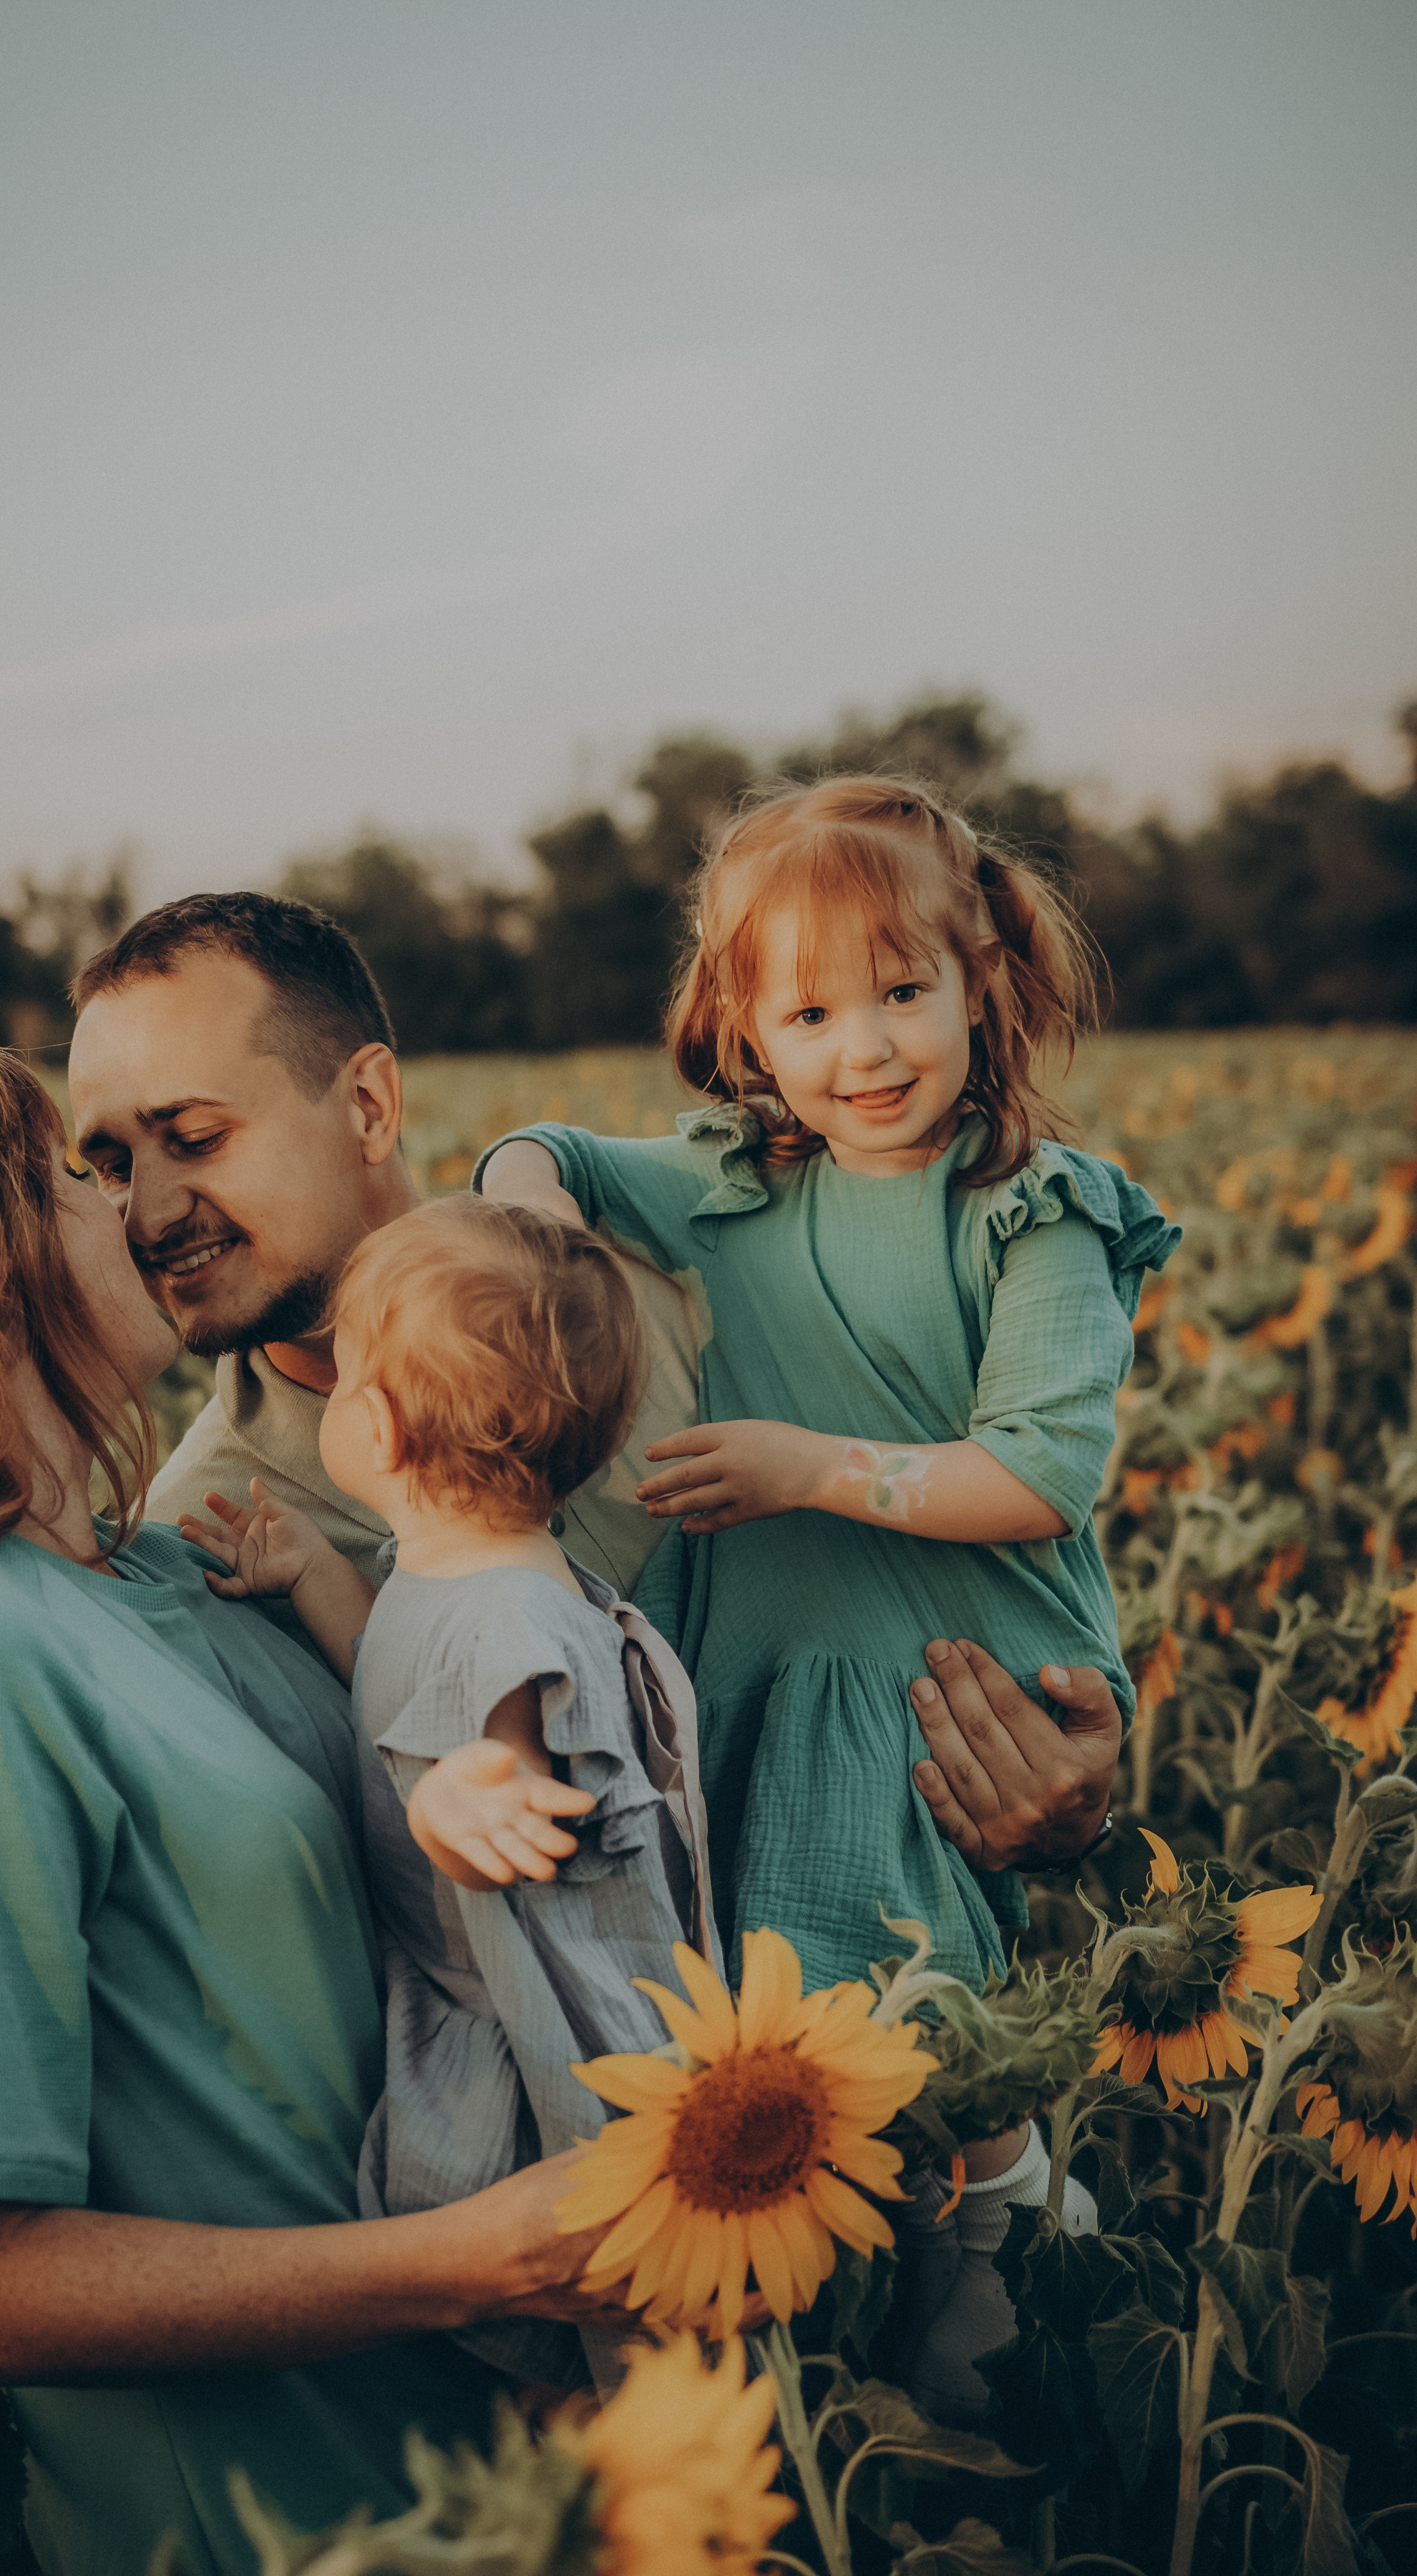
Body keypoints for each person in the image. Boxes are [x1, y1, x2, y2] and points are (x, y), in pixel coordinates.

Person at [0, 1034, 618, 2576]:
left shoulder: (180, 1569)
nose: (132, 1206)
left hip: (499, 2496)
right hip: (279, 2527)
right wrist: (483, 2260)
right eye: (80, 1173)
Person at [478, 776, 1180, 2409]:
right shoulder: (734, 1179)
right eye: (810, 1009)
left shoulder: (1031, 1211)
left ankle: (1004, 2222)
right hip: (769, 1657)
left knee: (907, 1994)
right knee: (765, 2015)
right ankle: (856, 2300)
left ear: (981, 984)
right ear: (744, 1027)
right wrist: (529, 1222)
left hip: (944, 1656)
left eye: (902, 992)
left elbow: (1038, 1474)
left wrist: (804, 1466)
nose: (865, 1048)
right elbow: (549, 1149)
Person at [66, 892, 1127, 1881]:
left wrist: (1073, 1811)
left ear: (370, 1105)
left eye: (195, 1138)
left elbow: (957, 1546)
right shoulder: (206, 1550)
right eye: (111, 1166)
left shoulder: (674, 1258)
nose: (150, 1216)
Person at [179, 1195, 721, 2396]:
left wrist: (461, 1802)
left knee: (600, 2336)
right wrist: (314, 1573)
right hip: (481, 1979)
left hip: (530, 2028)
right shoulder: (462, 1567)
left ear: (371, 1422)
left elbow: (509, 1777)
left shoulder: (509, 1616)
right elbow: (397, 1674)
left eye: (353, 1362)